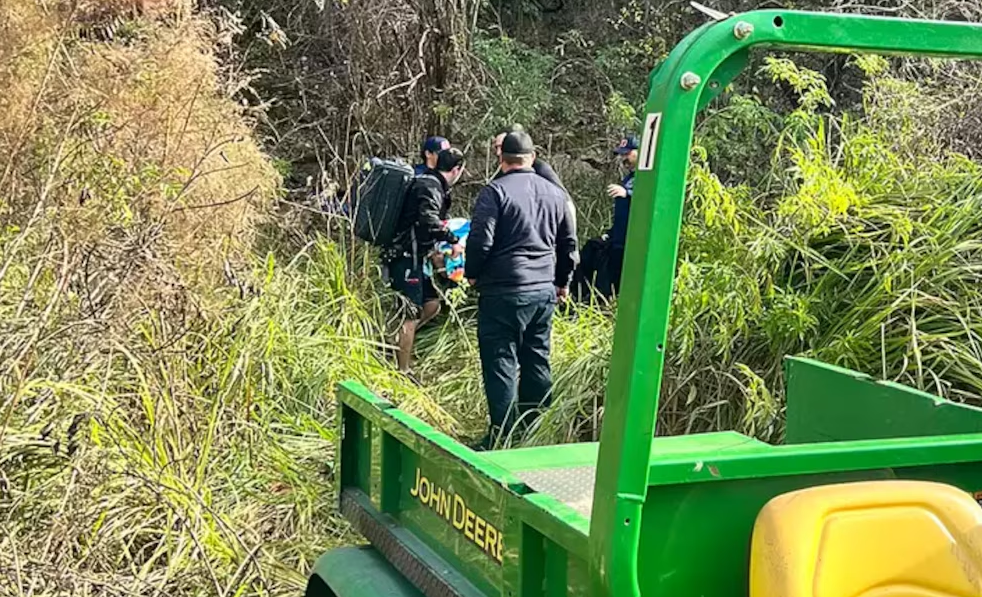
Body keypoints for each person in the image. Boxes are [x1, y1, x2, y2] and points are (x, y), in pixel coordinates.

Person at [466, 131, 578, 449]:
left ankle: (503, 436)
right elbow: (569, 244)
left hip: (503, 290)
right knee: (537, 358)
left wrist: (473, 274)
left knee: (501, 359)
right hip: (542, 290)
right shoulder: (555, 194)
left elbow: (480, 241)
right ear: (532, 157)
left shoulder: (495, 192)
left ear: (502, 160)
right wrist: (562, 282)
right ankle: (537, 429)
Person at [389, 148, 466, 376]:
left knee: (431, 305)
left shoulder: (433, 185)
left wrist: (436, 256)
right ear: (456, 170)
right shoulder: (429, 187)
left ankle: (391, 343)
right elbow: (429, 221)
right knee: (410, 314)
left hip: (418, 257)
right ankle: (402, 371)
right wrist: (453, 242)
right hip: (405, 257)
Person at [603, 135, 639, 296]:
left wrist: (628, 194)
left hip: (632, 243)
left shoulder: (648, 177)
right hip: (619, 240)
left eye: (627, 154)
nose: (624, 158)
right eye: (622, 154)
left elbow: (650, 199)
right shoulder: (629, 177)